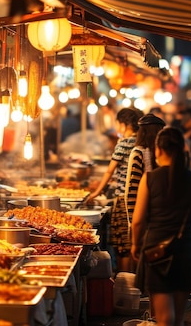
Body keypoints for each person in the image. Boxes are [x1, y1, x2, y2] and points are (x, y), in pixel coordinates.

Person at [131, 127, 191, 326]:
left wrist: (135, 245)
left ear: (158, 150)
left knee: (165, 318)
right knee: (178, 318)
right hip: (188, 249)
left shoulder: (149, 179)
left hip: (157, 250)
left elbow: (138, 221)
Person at [86, 108, 142, 267]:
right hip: (139, 198)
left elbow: (110, 170)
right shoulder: (142, 142)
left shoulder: (124, 143)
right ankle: (134, 281)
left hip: (124, 200)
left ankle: (125, 282)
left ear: (123, 124)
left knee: (122, 244)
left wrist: (96, 192)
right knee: (134, 241)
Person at [121, 113, 166, 273]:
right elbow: (132, 190)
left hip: (152, 218)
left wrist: (134, 223)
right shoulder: (146, 154)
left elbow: (132, 190)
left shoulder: (149, 153)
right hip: (152, 217)